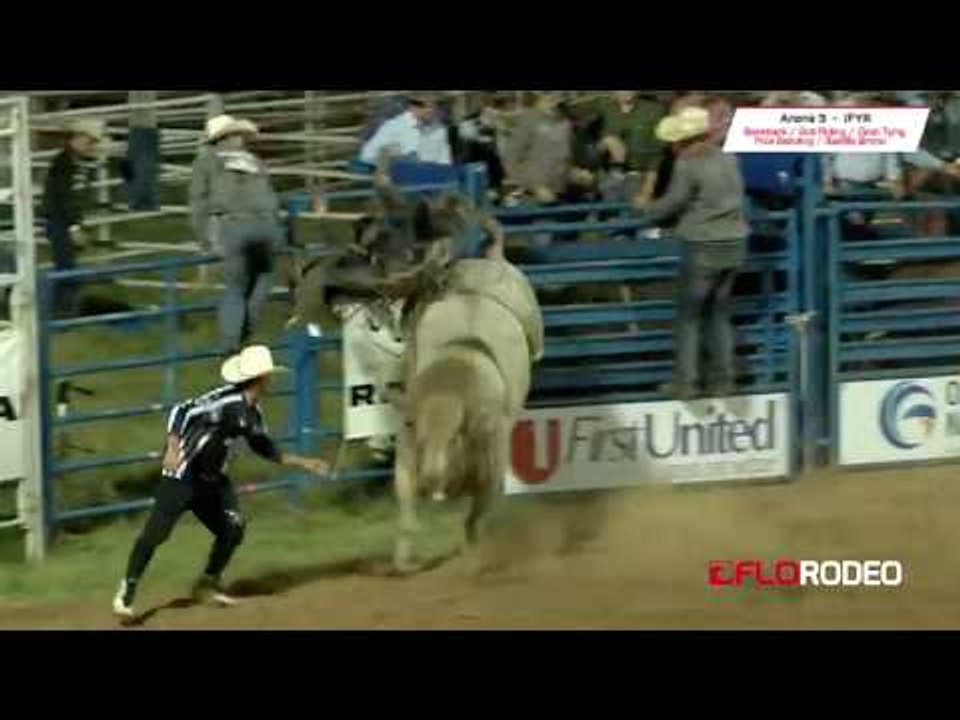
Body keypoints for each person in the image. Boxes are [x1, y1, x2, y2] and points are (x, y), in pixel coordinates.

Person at [112, 345, 329, 620]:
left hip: (213, 482)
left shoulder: (252, 415)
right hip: (183, 474)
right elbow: (182, 409)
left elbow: (264, 447)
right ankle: (127, 589)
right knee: (156, 535)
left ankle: (207, 582)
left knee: (233, 527)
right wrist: (172, 445)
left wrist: (305, 462)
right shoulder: (225, 401)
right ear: (262, 378)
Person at [635, 106, 749, 400]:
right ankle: (724, 381)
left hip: (703, 244)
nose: (673, 146)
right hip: (735, 243)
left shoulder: (689, 164)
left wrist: (647, 210)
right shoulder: (729, 158)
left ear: (686, 139)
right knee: (719, 314)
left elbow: (674, 201)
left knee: (689, 317)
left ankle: (687, 383)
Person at [190, 115, 284, 355]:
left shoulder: (206, 162)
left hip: (233, 226)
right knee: (262, 280)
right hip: (266, 227)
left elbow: (198, 202)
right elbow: (270, 197)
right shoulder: (255, 162)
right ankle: (246, 329)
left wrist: (204, 238)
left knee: (236, 287)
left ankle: (231, 341)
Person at [41, 118, 104, 316]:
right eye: (90, 141)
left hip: (62, 221)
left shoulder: (69, 160)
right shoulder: (65, 162)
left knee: (66, 266)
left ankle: (61, 310)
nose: (92, 146)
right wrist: (74, 227)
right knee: (66, 268)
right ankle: (60, 312)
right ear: (79, 137)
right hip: (61, 222)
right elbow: (63, 196)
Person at [501, 92, 575, 204]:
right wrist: (535, 187)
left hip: (562, 195)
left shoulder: (565, 122)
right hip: (532, 198)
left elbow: (565, 158)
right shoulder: (528, 120)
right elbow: (510, 159)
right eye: (550, 98)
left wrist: (575, 174)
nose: (555, 101)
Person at [359, 93, 453, 167]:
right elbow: (367, 155)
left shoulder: (439, 129)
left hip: (433, 179)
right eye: (428, 107)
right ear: (414, 108)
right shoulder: (395, 126)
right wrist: (394, 160)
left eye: (434, 108)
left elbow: (445, 160)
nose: (432, 111)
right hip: (402, 178)